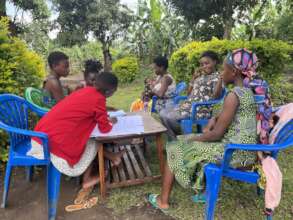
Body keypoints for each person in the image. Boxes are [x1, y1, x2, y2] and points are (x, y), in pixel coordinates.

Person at [147, 48, 260, 211]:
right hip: (244, 150)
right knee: (184, 140)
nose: (222, 72)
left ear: (234, 71)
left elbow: (216, 134)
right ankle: (201, 188)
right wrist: (212, 120)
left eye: (224, 69)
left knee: (174, 146)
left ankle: (162, 201)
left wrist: (192, 138)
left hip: (232, 153)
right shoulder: (245, 92)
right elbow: (221, 113)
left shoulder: (233, 95)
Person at [28, 72, 125, 207]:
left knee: (87, 135)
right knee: (93, 139)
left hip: (41, 135)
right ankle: (88, 180)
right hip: (50, 145)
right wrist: (111, 122)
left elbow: (87, 112)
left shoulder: (86, 90)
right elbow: (104, 129)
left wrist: (104, 117)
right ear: (110, 91)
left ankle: (113, 157)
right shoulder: (99, 99)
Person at [159, 51, 221, 140]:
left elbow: (216, 96)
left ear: (214, 62)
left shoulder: (217, 78)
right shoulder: (201, 77)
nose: (204, 66)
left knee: (169, 117)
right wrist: (193, 78)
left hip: (200, 109)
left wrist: (220, 80)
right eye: (202, 64)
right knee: (162, 113)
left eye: (207, 63)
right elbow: (188, 94)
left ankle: (178, 138)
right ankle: (174, 138)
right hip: (188, 105)